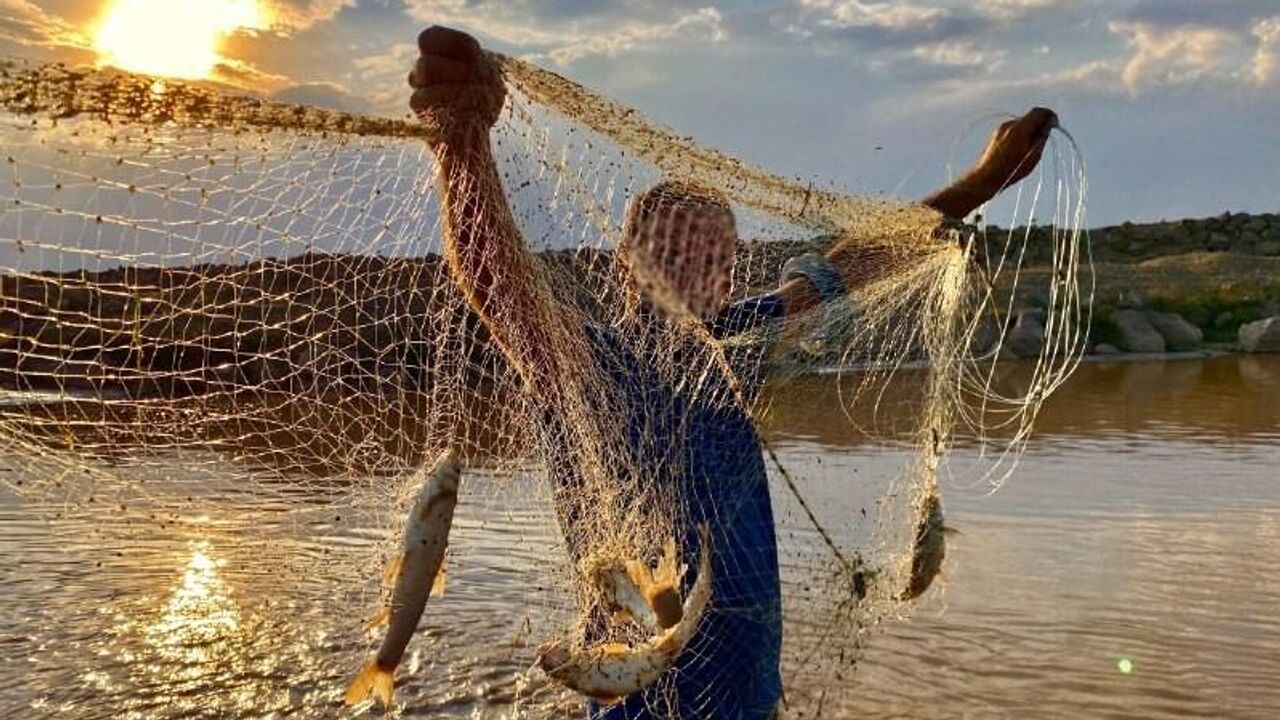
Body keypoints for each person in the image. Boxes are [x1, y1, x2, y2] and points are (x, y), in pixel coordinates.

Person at [407, 25, 1054, 720]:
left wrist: (982, 183)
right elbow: (499, 283)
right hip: (638, 699)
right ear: (627, 259)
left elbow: (853, 264)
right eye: (676, 250)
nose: (700, 269)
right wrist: (461, 144)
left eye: (719, 256)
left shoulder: (738, 345)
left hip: (752, 697)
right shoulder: (588, 364)